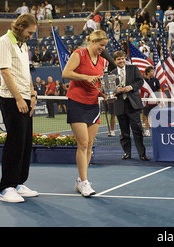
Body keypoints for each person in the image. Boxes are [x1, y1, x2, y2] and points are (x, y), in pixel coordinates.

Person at [0, 13, 38, 203]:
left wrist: (33, 93)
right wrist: (19, 98)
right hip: (12, 99)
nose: (31, 36)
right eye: (29, 32)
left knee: (25, 143)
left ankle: (19, 182)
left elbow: (26, 72)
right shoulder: (4, 42)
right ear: (20, 27)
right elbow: (5, 72)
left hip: (25, 98)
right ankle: (6, 187)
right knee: (14, 143)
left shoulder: (23, 44)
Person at [62, 30, 109, 197]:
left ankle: (81, 180)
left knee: (89, 145)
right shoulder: (79, 54)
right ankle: (84, 181)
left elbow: (98, 83)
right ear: (92, 42)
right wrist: (85, 77)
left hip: (93, 104)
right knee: (82, 143)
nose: (102, 48)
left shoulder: (103, 61)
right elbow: (65, 73)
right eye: (100, 45)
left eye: (104, 45)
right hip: (76, 102)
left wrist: (105, 93)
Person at [110, 50, 149, 161]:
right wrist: (115, 90)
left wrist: (131, 87)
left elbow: (140, 81)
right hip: (120, 105)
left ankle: (142, 154)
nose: (121, 60)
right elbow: (109, 89)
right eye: (118, 59)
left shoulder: (133, 68)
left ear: (125, 59)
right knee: (124, 132)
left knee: (137, 131)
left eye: (122, 58)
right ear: (115, 61)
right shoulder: (111, 74)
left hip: (133, 105)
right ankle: (127, 153)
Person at [142, 66, 161, 137]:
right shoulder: (143, 81)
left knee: (156, 116)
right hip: (146, 101)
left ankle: (156, 131)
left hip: (154, 101)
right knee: (146, 116)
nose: (153, 73)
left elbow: (159, 89)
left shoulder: (156, 80)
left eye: (153, 71)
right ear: (148, 72)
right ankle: (147, 131)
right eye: (152, 71)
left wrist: (160, 98)